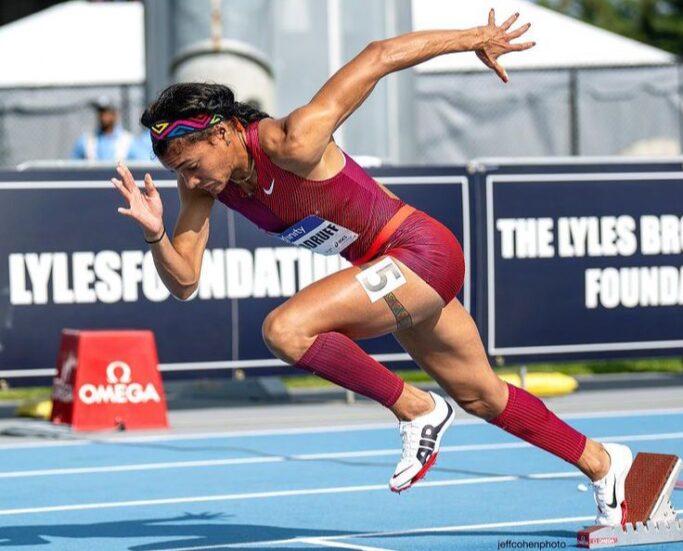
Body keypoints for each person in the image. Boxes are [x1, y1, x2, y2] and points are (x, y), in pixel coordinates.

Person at [111, 10, 633, 526]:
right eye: (178, 172)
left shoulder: (291, 140)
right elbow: (184, 281)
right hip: (390, 273)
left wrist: (476, 36)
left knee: (285, 330)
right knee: (482, 395)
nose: (190, 182)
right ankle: (604, 464)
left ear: (223, 133)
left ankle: (418, 409)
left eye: (191, 166)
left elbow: (378, 55)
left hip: (420, 252)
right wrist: (156, 233)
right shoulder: (206, 186)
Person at [73, 96, 133, 161]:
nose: (103, 116)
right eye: (101, 111)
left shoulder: (128, 141)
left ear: (115, 114)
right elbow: (73, 163)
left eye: (107, 111)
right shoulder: (86, 140)